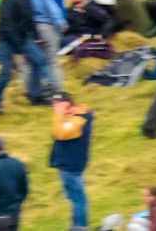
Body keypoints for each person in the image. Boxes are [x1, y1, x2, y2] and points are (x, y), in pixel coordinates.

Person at [0, 0, 49, 115]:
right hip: (7, 40)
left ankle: (35, 95)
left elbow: (29, 17)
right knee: (6, 72)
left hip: (22, 37)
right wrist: (19, 44)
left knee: (39, 60)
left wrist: (36, 36)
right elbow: (7, 24)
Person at [49, 91, 94, 231]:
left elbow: (61, 133)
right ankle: (77, 225)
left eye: (57, 104)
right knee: (75, 199)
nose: (55, 107)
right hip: (70, 165)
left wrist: (58, 114)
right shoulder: (73, 117)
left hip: (71, 167)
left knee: (77, 200)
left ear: (67, 103)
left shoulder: (78, 120)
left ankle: (79, 227)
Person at [0, 135, 29, 230]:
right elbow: (24, 189)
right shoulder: (18, 164)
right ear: (4, 147)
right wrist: (17, 204)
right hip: (13, 215)